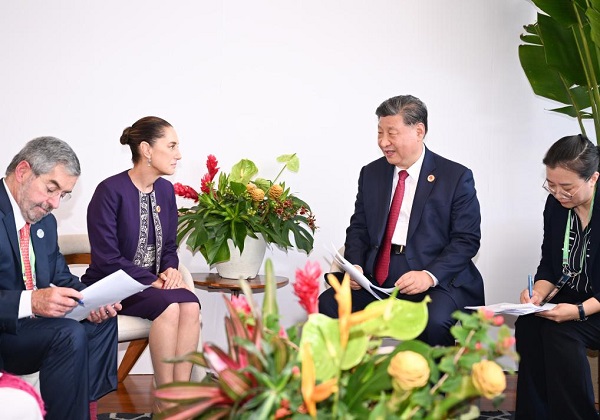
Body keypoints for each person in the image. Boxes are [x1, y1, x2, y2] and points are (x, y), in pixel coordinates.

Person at [318, 95, 484, 346]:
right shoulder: (371, 173)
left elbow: (466, 240)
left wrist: (429, 275)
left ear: (419, 131)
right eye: (380, 133)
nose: (383, 142)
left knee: (434, 321)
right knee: (329, 303)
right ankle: (350, 371)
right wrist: (356, 267)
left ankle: (433, 373)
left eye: (392, 133)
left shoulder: (455, 177)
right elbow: (359, 228)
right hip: (377, 280)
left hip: (434, 281)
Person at [81, 116, 201, 404]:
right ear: (146, 149)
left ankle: (178, 398)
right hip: (113, 285)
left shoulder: (165, 190)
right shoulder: (109, 191)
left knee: (190, 304)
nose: (178, 154)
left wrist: (170, 270)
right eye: (171, 146)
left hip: (152, 286)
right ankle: (164, 400)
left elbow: (169, 245)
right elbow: (107, 258)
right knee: (170, 307)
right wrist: (154, 281)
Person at [0, 137, 121, 420]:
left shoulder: (44, 221)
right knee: (68, 334)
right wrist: (31, 302)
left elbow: (61, 276)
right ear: (23, 171)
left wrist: (94, 300)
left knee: (102, 322)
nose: (54, 203)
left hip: (30, 329)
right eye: (51, 189)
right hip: (5, 329)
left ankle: (84, 412)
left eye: (63, 194)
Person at [514, 134, 600, 419]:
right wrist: (538, 293)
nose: (558, 194)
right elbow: (549, 265)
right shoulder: (555, 206)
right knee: (529, 324)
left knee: (561, 332)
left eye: (567, 188)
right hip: (573, 296)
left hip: (595, 304)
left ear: (593, 178)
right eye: (551, 185)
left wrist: (578, 311)